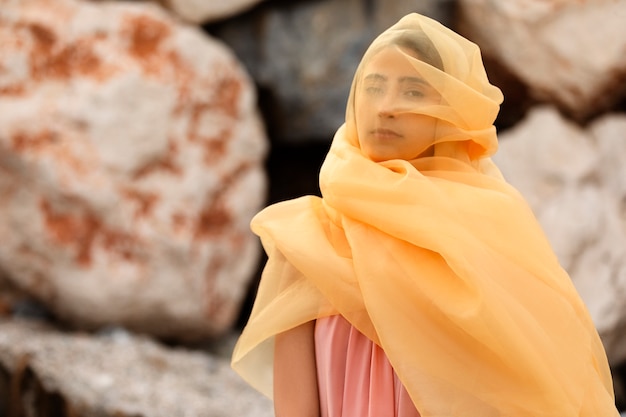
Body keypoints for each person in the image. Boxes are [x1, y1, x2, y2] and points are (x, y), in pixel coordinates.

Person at [231, 13, 620, 417]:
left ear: (449, 117)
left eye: (414, 92)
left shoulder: (491, 232)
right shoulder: (309, 240)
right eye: (374, 87)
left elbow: (535, 387)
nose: (386, 108)